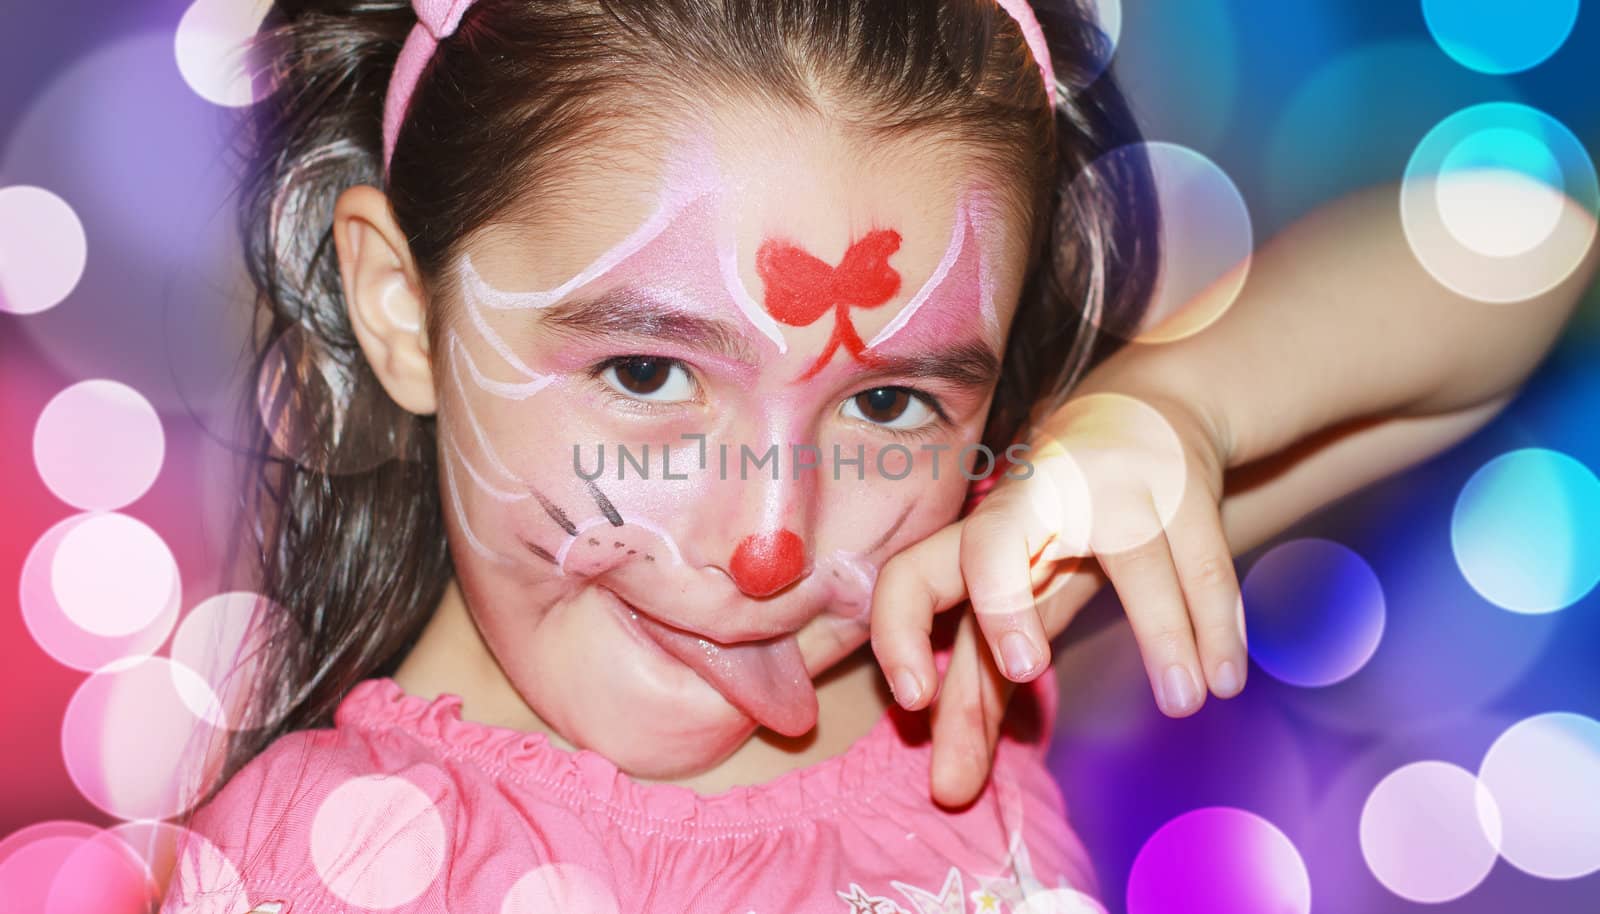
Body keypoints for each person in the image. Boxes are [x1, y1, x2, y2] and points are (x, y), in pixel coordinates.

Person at [159, 0, 1594, 911]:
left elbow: (1531, 238)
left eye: (889, 404)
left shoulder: (962, 634)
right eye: (650, 372)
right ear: (402, 310)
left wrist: (1173, 410)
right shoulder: (310, 871)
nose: (771, 536)